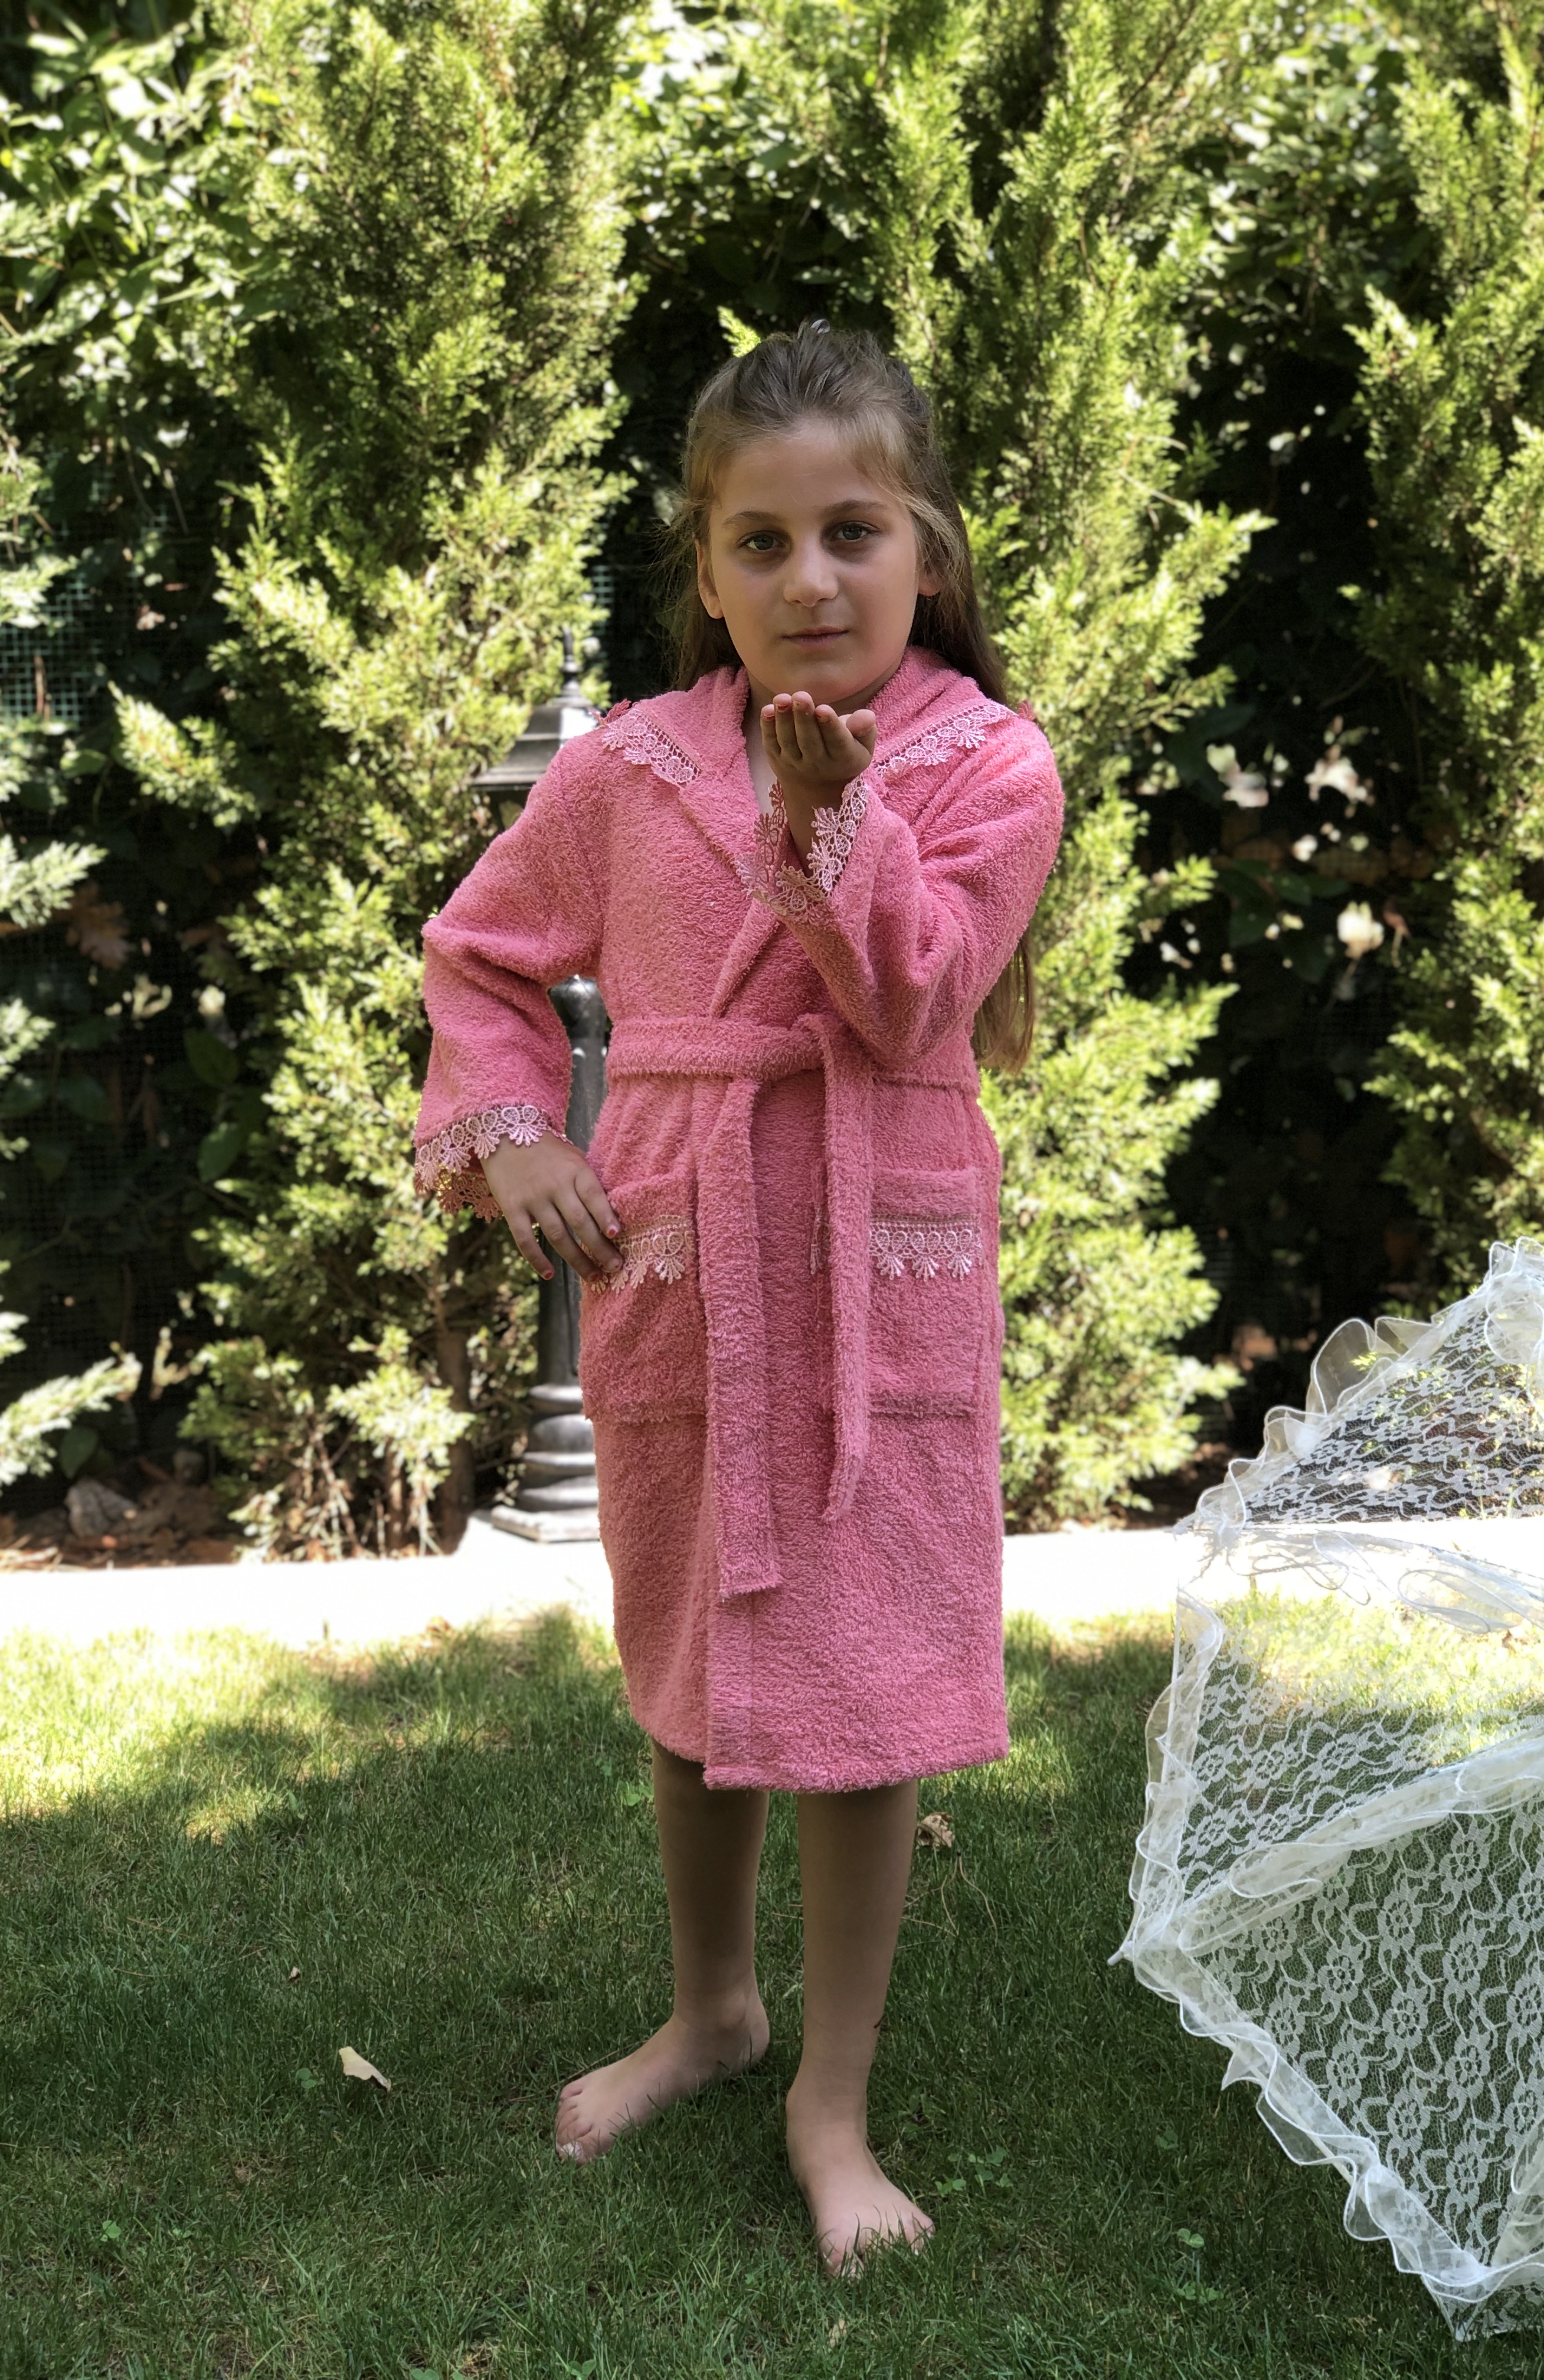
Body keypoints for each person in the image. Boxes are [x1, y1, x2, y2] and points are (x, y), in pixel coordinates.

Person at [414, 323, 1063, 2272]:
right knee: (692, 1660)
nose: (810, 579)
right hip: (681, 1262)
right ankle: (710, 2010)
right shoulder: (626, 768)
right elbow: (481, 957)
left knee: (868, 1695)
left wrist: (831, 819)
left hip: (879, 1277)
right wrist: (510, 1135)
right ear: (704, 570)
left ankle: (829, 2100)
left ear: (927, 548)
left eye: (853, 531)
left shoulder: (989, 764)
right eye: (759, 542)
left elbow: (916, 1001)